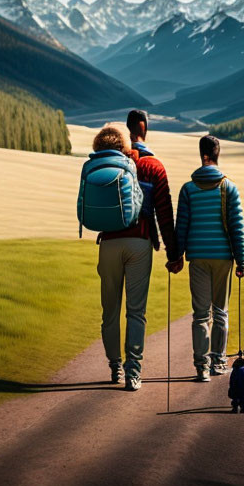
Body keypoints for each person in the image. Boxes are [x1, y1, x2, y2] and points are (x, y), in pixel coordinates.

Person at [87, 114, 179, 392]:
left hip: (108, 244)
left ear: (125, 131)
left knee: (110, 310)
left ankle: (114, 365)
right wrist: (174, 254)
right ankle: (133, 372)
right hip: (140, 243)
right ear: (144, 129)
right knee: (136, 312)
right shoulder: (153, 166)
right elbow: (164, 214)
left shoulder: (107, 164)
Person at [175, 135, 244, 382]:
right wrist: (241, 261)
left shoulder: (188, 189)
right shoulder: (230, 188)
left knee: (200, 315)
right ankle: (218, 362)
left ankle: (201, 367)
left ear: (202, 155)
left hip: (198, 260)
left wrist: (176, 257)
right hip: (224, 259)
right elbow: (237, 227)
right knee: (221, 312)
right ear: (217, 155)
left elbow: (181, 228)